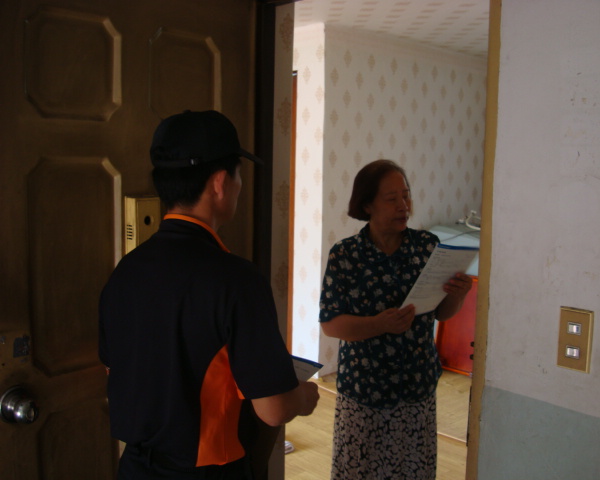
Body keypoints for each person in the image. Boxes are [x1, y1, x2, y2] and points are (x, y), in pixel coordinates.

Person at [99, 110, 319, 480]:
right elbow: (273, 409)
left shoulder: (125, 272)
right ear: (219, 183)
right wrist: (302, 396)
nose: (239, 186)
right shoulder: (237, 280)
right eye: (238, 175)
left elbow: (116, 370)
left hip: (135, 468)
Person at [319, 159, 473, 480]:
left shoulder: (427, 247)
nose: (404, 206)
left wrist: (457, 295)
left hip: (416, 386)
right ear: (367, 205)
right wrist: (379, 324)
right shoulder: (345, 255)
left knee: (413, 471)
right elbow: (331, 323)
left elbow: (440, 313)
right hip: (364, 390)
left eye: (406, 196)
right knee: (360, 471)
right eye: (392, 199)